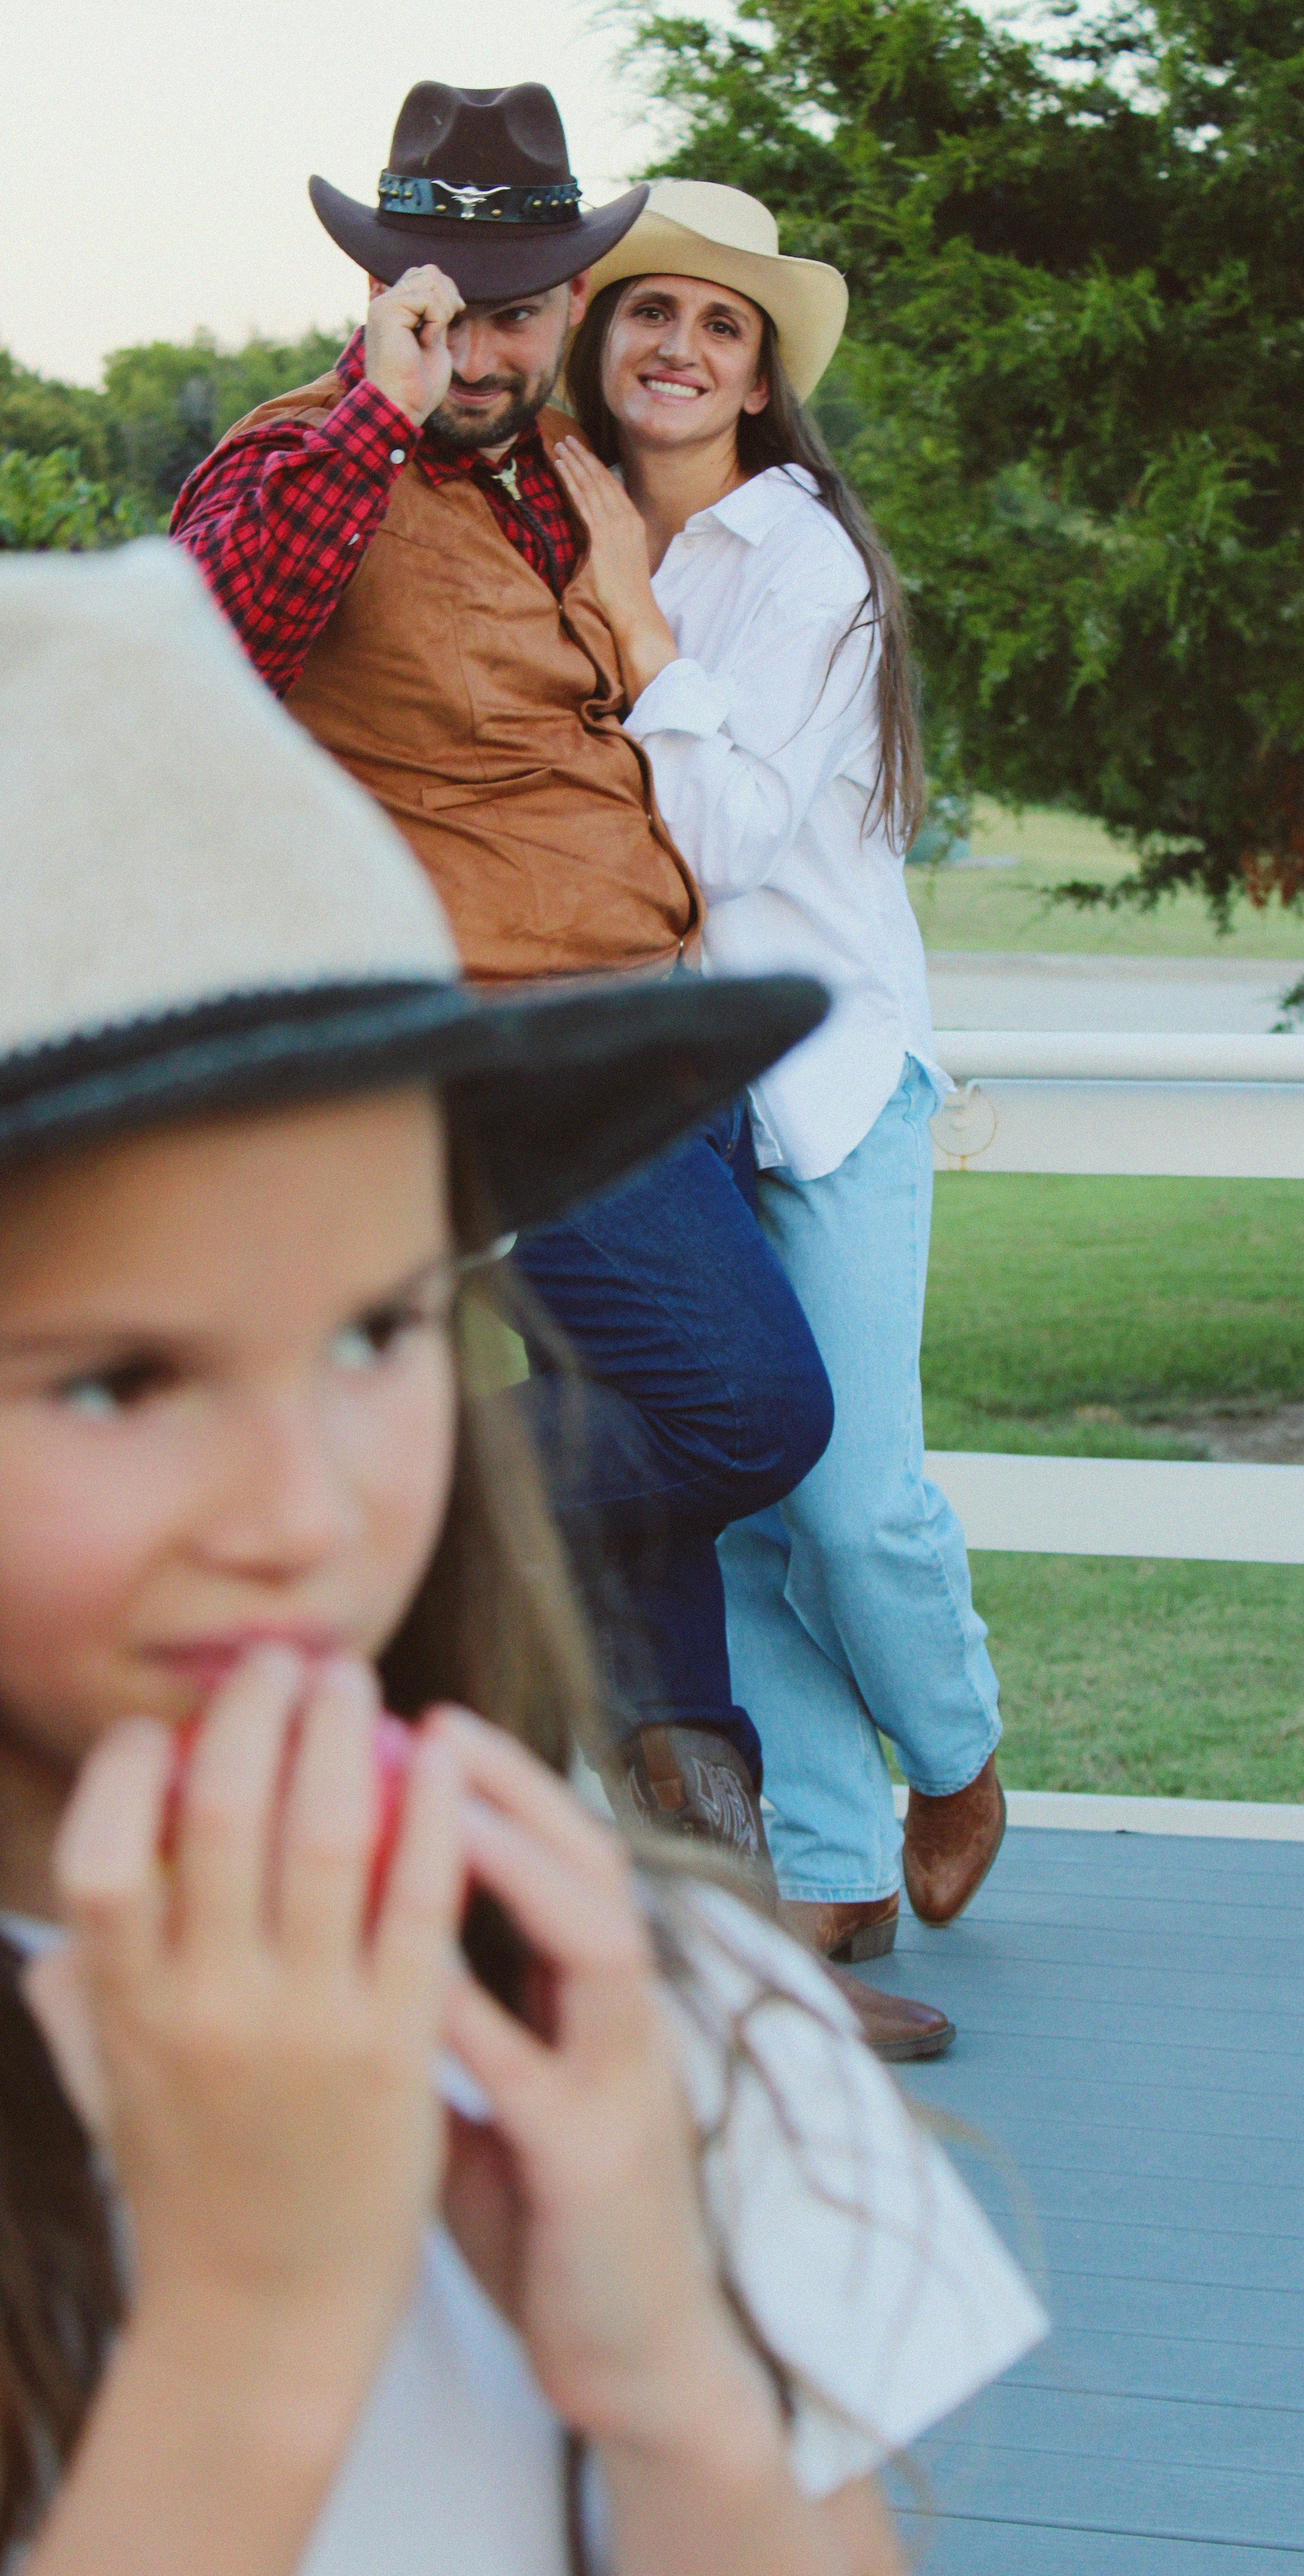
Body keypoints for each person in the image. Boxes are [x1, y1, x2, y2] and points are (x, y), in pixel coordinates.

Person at [0, 545, 1044, 2574]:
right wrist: (250, 2330)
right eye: (120, 1377)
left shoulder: (646, 2012)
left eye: (379, 1329)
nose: (306, 1508)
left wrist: (673, 2375)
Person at [169, 87, 959, 2063]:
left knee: (672, 1507)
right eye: (458, 299)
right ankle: (412, 1519)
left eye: (533, 301)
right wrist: (370, 399)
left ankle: (710, 1956)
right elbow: (200, 643)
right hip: (503, 1058)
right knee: (752, 1417)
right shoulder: (305, 460)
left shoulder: (557, 490)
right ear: (382, 283)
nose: (496, 342)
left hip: (650, 1045)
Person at [550, 181, 1007, 1965]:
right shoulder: (547, 523)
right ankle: (834, 1869)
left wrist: (634, 627)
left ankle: (955, 1756)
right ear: (598, 338)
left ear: (756, 377)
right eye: (647, 312)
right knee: (718, 1478)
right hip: (649, 1089)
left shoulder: (802, 561)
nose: (676, 348)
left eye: (718, 326)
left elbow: (728, 838)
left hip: (815, 1075)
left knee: (851, 1490)